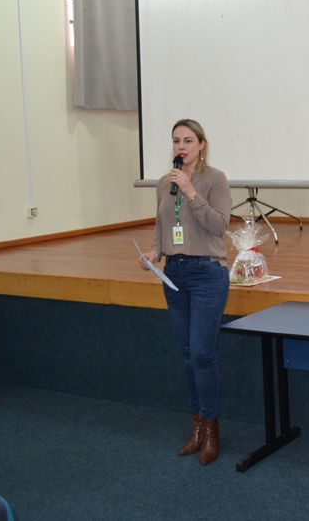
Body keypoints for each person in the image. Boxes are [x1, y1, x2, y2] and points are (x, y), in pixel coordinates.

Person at [140, 119, 231, 465]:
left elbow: (219, 225)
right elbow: (161, 223)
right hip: (174, 272)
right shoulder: (165, 183)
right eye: (177, 140)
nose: (181, 146)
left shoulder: (215, 179)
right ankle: (195, 426)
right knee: (188, 353)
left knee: (203, 353)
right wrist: (155, 252)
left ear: (201, 145)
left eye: (188, 140)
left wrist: (192, 193)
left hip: (207, 272)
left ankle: (210, 428)